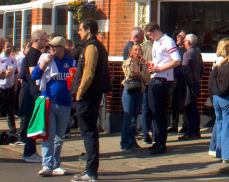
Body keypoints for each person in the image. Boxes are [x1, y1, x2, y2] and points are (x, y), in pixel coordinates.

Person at [71, 18, 112, 182]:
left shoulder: (92, 47)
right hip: (91, 96)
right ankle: (90, 170)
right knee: (90, 133)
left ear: (88, 30)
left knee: (88, 133)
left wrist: (80, 93)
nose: (79, 32)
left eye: (80, 29)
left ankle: (91, 172)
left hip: (88, 97)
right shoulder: (93, 46)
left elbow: (88, 73)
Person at [33, 36, 76, 176]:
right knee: (49, 135)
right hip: (49, 101)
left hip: (65, 103)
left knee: (59, 136)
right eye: (50, 46)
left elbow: (75, 80)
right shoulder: (46, 59)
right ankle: (47, 165)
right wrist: (44, 64)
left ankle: (56, 165)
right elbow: (34, 76)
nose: (51, 48)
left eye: (55, 46)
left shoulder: (71, 62)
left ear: (62, 48)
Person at [145, 22, 181, 155]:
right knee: (154, 111)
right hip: (155, 78)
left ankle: (161, 143)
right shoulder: (156, 42)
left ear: (155, 31)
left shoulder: (168, 41)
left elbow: (177, 60)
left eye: (149, 35)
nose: (149, 38)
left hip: (162, 80)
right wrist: (153, 67)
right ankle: (157, 140)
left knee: (159, 112)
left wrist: (159, 69)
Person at [20, 30, 48, 162]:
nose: (46, 41)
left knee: (33, 121)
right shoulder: (33, 54)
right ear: (36, 40)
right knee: (33, 121)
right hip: (33, 91)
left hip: (33, 90)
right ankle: (29, 153)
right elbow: (33, 73)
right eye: (44, 39)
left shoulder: (35, 53)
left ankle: (30, 151)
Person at [121, 41, 150, 151]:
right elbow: (131, 74)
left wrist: (142, 69)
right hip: (129, 92)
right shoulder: (128, 61)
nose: (138, 52)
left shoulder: (143, 63)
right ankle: (124, 142)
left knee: (134, 118)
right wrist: (140, 71)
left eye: (139, 50)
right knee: (128, 118)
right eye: (135, 50)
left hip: (139, 91)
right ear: (131, 51)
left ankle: (132, 141)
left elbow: (147, 79)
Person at [208, 38, 229, 158]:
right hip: (222, 95)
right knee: (221, 123)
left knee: (219, 122)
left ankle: (218, 148)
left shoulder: (220, 60)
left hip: (217, 94)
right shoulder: (222, 61)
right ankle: (216, 148)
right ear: (225, 47)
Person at [179, 33, 204, 140]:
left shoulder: (188, 54)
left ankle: (190, 132)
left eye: (184, 41)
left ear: (188, 42)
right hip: (196, 82)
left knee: (189, 108)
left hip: (189, 84)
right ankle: (196, 131)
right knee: (194, 108)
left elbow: (183, 69)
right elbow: (202, 69)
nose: (184, 42)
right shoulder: (198, 53)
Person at [169, 30, 187, 134]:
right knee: (173, 102)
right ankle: (174, 125)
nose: (177, 37)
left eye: (179, 36)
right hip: (174, 79)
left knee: (184, 102)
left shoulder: (186, 51)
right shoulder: (174, 50)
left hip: (184, 80)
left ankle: (185, 125)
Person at [0, 44, 19, 134]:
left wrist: (15, 86)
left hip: (10, 87)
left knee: (10, 110)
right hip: (1, 87)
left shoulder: (13, 59)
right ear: (3, 48)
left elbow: (16, 73)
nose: (9, 48)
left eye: (10, 46)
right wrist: (5, 73)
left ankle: (12, 129)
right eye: (7, 46)